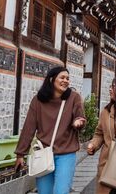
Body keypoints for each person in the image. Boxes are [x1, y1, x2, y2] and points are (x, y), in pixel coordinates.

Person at [14, 66, 86, 194]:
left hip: (66, 153)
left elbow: (79, 116)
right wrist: (20, 154)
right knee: (44, 191)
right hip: (44, 153)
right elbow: (28, 128)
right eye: (62, 77)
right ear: (52, 79)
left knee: (61, 191)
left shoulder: (73, 97)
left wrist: (78, 122)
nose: (66, 81)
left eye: (68, 78)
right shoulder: (38, 100)